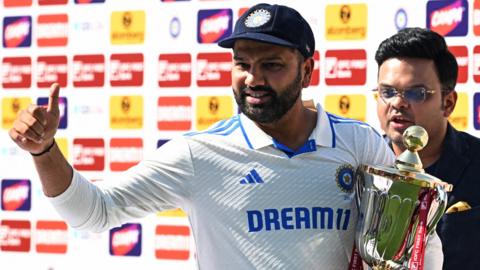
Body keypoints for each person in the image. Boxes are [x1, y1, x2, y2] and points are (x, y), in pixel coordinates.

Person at [8, 4, 440, 270]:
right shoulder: (199, 153)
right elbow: (92, 213)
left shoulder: (359, 144)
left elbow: (414, 240)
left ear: (308, 71)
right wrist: (45, 152)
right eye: (241, 63)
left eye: (271, 64)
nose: (253, 78)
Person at [374, 27, 480, 270]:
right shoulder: (360, 164)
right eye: (387, 92)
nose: (398, 103)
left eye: (415, 93)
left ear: (448, 103)